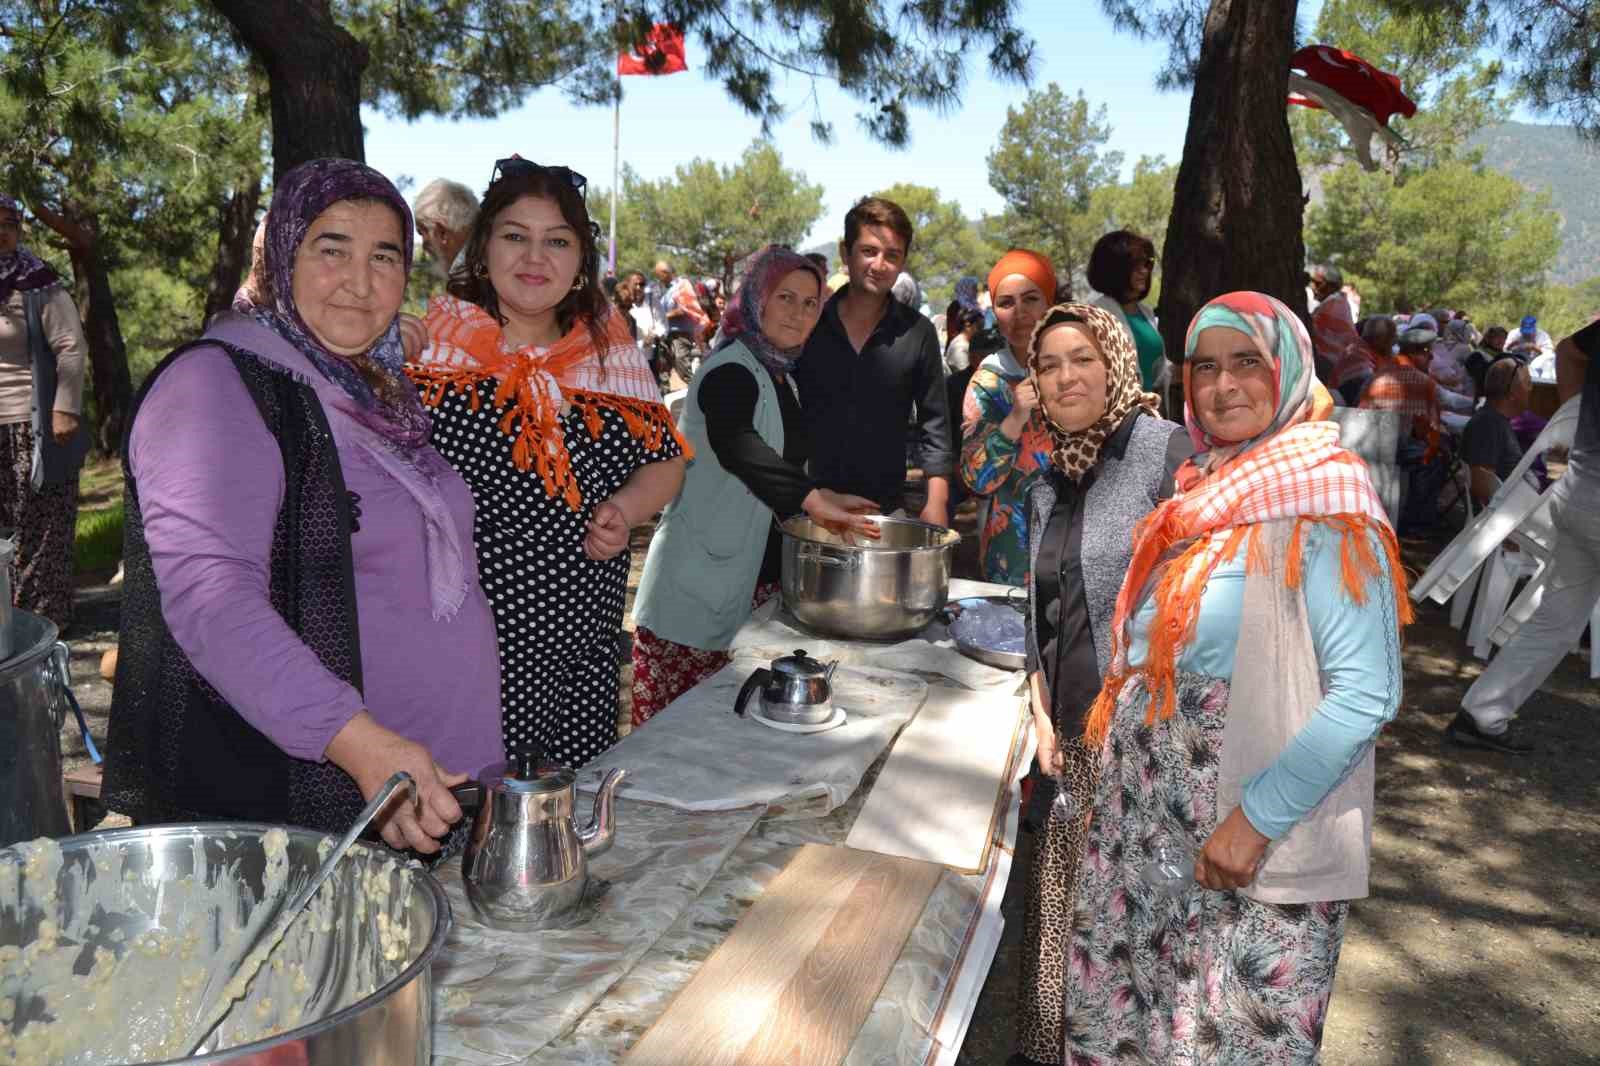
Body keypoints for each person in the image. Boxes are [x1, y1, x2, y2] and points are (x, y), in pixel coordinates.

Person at [103, 160, 502, 853]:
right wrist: (359, 744)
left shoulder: (372, 392)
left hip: (430, 793)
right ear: (280, 254)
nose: (361, 280)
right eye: (331, 248)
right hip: (315, 809)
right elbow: (213, 603)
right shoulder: (216, 385)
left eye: (385, 256)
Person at [1063, 291, 1410, 1065]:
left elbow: (1368, 692)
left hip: (1246, 820)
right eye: (1205, 367)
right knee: (1140, 1024)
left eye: (1246, 362)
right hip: (1149, 813)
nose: (1223, 386)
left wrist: (1253, 825)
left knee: (1227, 1035)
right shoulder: (1205, 488)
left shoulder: (1328, 499)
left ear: (1287, 367)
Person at [409, 158, 688, 767]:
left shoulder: (610, 348)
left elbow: (666, 462)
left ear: (580, 258)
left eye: (557, 240)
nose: (536, 257)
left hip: (583, 644)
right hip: (471, 643)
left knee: (562, 812)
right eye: (516, 235)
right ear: (482, 249)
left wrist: (624, 509)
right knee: (472, 815)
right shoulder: (432, 343)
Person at [1013, 303, 1189, 1066]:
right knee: (1057, 901)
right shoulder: (1051, 473)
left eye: (1080, 357)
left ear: (1115, 360)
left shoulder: (1164, 453)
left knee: (1124, 913)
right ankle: (1043, 1047)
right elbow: (1039, 608)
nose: (1064, 376)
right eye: (1048, 365)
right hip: (1069, 724)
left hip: (1142, 729)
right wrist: (1041, 712)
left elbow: (1193, 598)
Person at [631, 247, 877, 725]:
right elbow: (738, 444)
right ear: (757, 299)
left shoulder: (780, 376)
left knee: (729, 739)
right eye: (785, 296)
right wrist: (812, 499)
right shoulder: (731, 371)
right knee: (671, 742)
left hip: (746, 588)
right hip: (694, 591)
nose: (799, 312)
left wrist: (816, 496)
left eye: (811, 303)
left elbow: (773, 463)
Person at [1449, 318, 1600, 753]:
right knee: (1557, 619)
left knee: (1554, 619)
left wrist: (1576, 416)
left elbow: (1570, 350)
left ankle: (1482, 713)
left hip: (1580, 486)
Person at [796, 195, 953, 525]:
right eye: (869, 251)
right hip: (810, 507)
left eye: (892, 255)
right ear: (845, 253)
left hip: (885, 511)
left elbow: (935, 427)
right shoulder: (807, 325)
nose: (880, 265)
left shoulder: (919, 332)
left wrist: (936, 502)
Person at [0, 193, 89, 627]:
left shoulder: (39, 283)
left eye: (9, 223)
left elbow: (71, 347)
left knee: (40, 526)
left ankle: (39, 623)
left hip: (33, 423)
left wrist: (65, 408)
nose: (1, 231)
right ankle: (5, 624)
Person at [960, 249, 1056, 584]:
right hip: (1013, 560)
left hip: (1083, 550)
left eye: (1031, 299)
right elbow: (977, 479)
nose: (1020, 313)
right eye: (1006, 303)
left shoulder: (1082, 369)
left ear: (1050, 303)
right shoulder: (989, 381)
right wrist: (1015, 418)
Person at [1086, 230, 1166, 394]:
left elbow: (1156, 370)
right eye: (1135, 265)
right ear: (1114, 269)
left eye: (1147, 263)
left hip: (1151, 413)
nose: (1144, 271)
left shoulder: (1147, 313)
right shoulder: (1095, 316)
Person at [1459, 357, 1531, 508]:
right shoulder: (1488, 425)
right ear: (1512, 394)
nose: (1532, 389)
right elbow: (1482, 488)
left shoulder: (1495, 420)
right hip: (1506, 518)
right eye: (1528, 383)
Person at [654, 259, 711, 385]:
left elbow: (684, 309)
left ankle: (699, 388)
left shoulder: (682, 285)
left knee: (682, 365)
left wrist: (663, 316)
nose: (659, 279)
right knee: (663, 366)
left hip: (681, 336)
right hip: (667, 336)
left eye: (659, 276)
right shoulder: (666, 291)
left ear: (665, 273)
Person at [412, 177, 479, 280]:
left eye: (423, 232)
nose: (424, 245)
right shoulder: (486, 261)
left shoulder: (473, 278)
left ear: (443, 233)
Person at [1309, 264, 1362, 389]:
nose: (1313, 287)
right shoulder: (1337, 302)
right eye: (1312, 282)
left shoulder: (1332, 306)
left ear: (1331, 286)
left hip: (1333, 370)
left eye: (1317, 283)